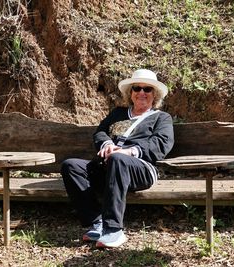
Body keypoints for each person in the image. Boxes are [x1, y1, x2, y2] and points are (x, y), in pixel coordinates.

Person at [61, 69, 174, 248]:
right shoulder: (118, 114)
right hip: (109, 167)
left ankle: (114, 230)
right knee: (71, 166)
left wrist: (129, 152)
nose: (141, 93)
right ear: (131, 93)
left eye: (147, 89)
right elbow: (100, 132)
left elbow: (161, 144)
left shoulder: (161, 118)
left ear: (155, 94)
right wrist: (106, 145)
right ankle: (97, 223)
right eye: (137, 88)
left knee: (118, 159)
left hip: (142, 169)